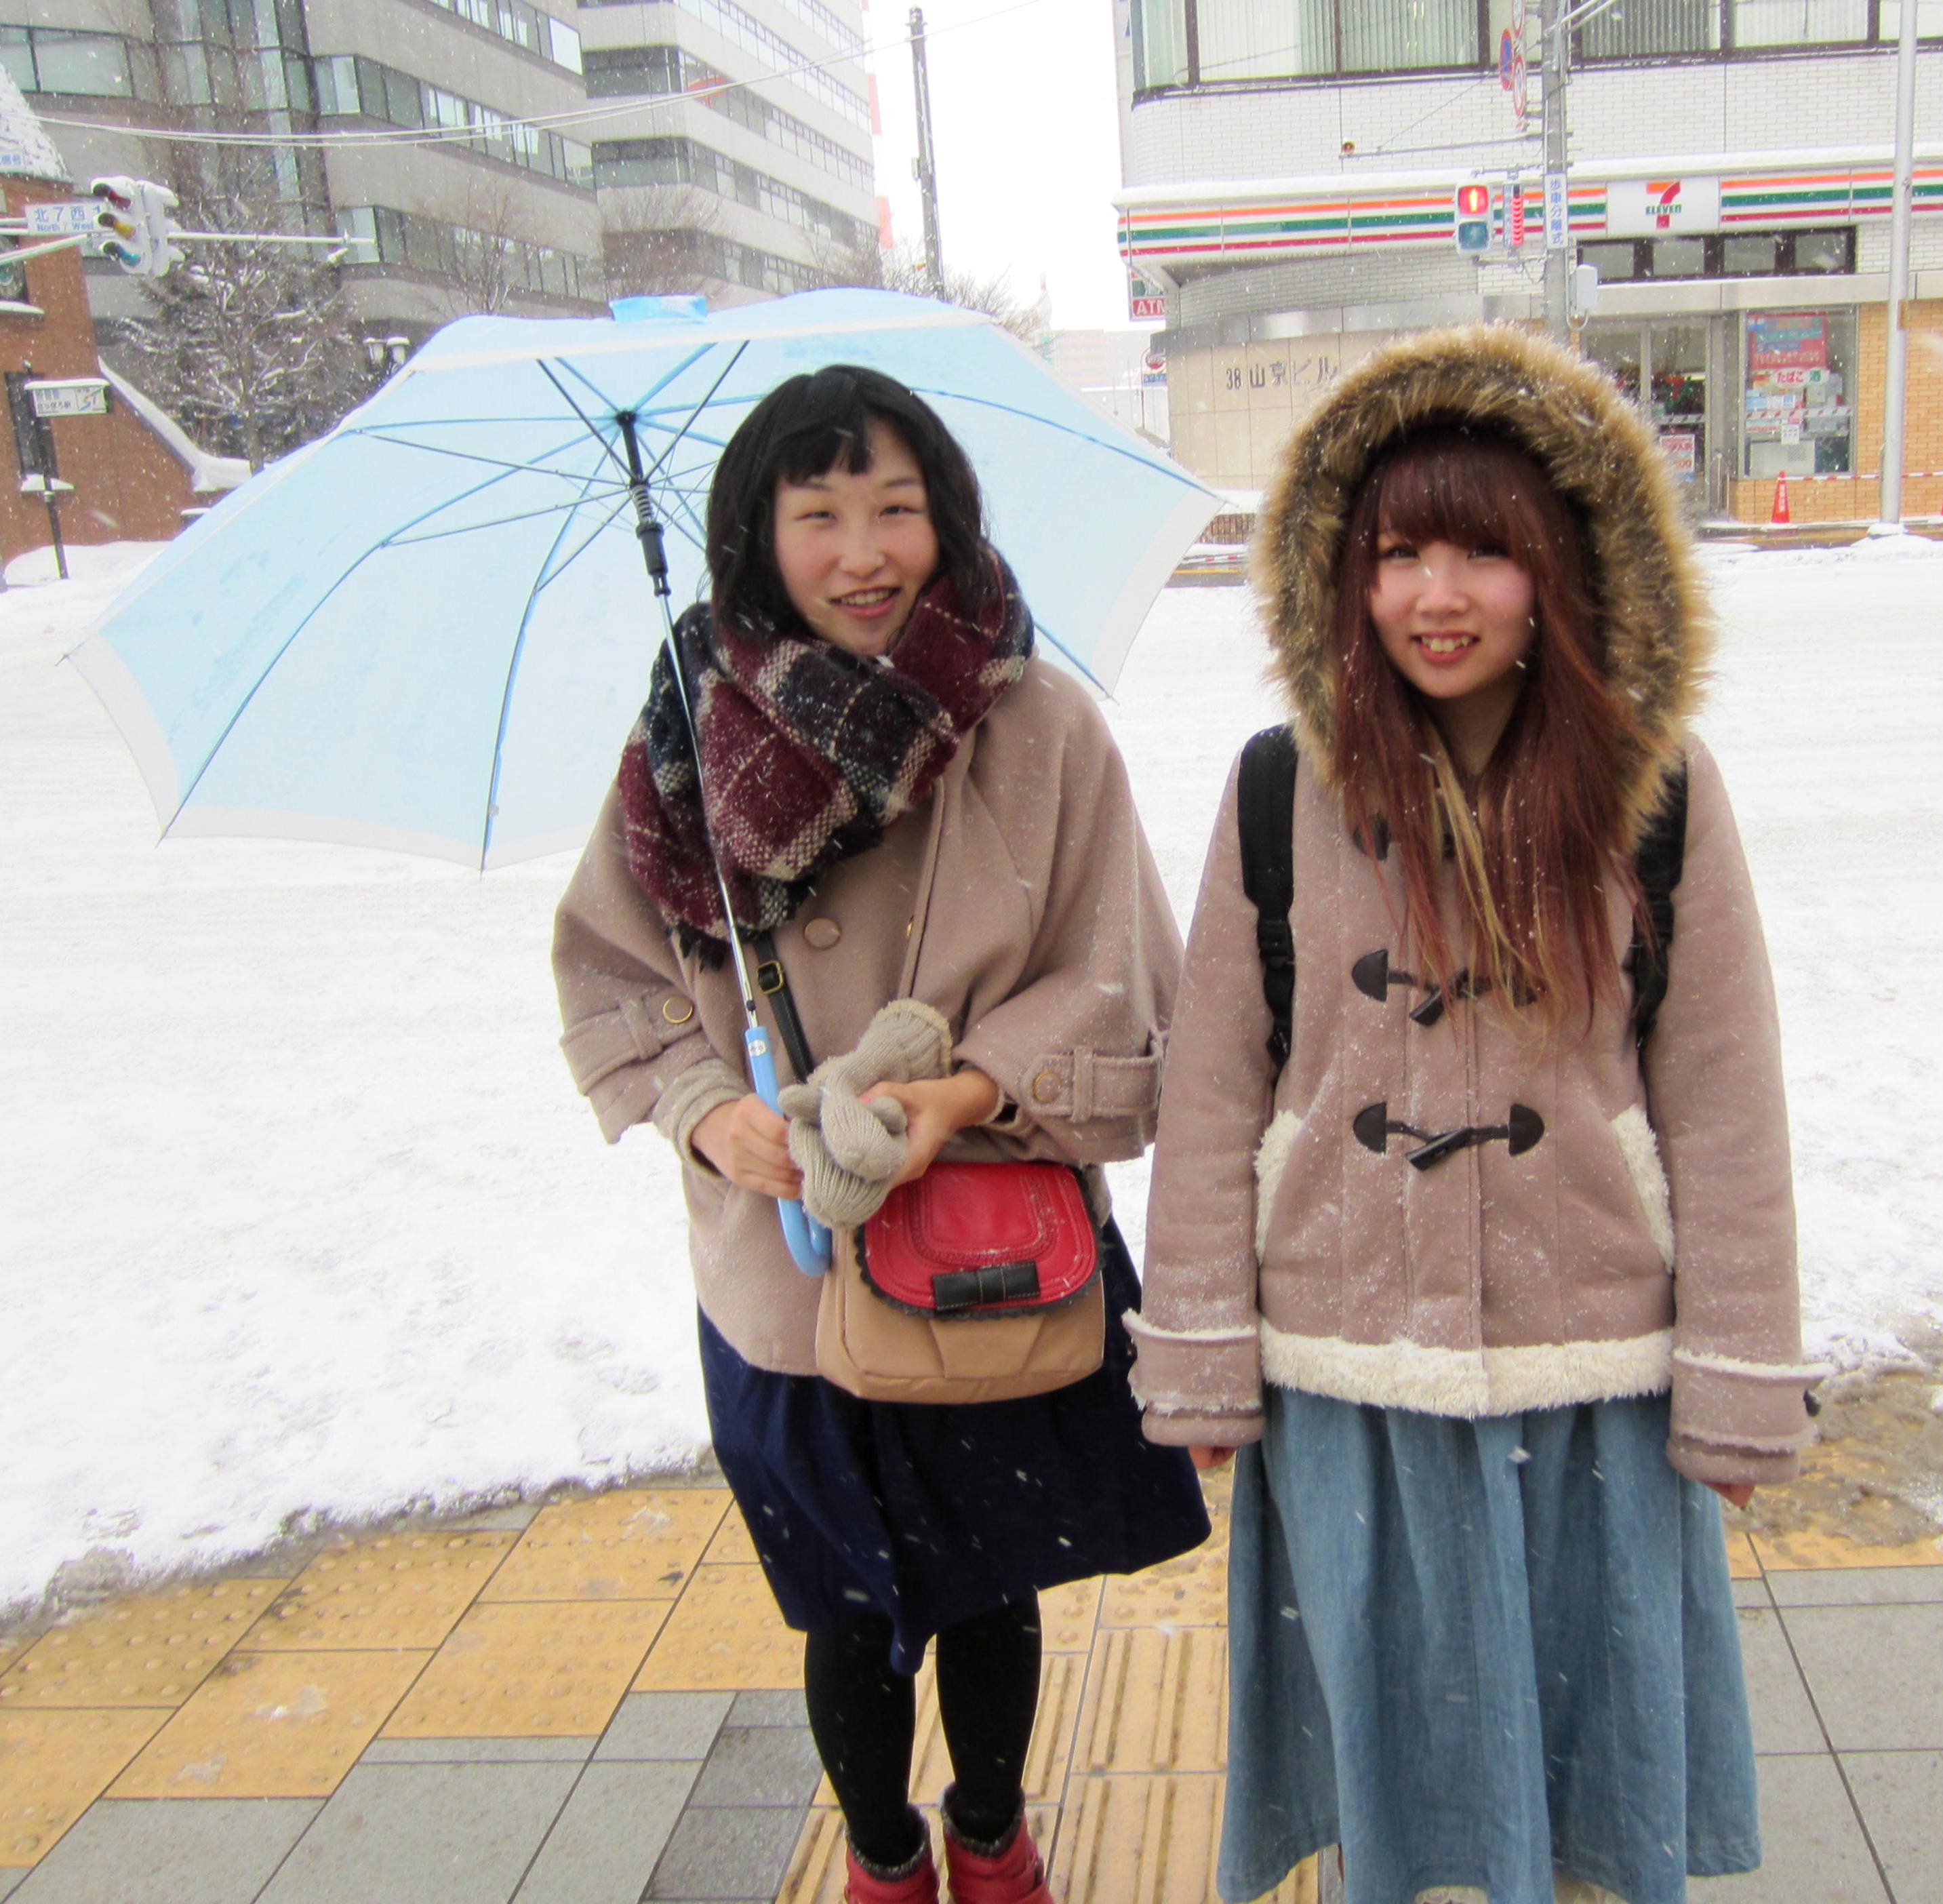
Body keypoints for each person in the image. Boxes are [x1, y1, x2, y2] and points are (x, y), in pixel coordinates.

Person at [1129, 326, 1820, 1904]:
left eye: (1482, 555)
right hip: (1344, 1359)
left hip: (1592, 1373)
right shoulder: (1273, 788)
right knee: (1383, 1752)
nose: (1436, 597)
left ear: (1559, 575)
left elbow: (1720, 1096)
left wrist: (1732, 1371)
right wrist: (1199, 1355)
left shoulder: (1655, 790)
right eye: (1398, 554)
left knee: (1590, 1750)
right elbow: (1219, 1089)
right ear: (1342, 582)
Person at [553, 365, 1208, 1904]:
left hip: (984, 1241)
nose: (864, 551)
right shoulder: (685, 731)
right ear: (754, 536)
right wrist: (710, 1115)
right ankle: (881, 1853)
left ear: (947, 517)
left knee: (990, 1585)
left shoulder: (1036, 722)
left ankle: (989, 1832)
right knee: (840, 1609)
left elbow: (1122, 971)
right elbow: (611, 976)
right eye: (820, 512)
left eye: (896, 508)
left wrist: (963, 1092)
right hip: (780, 1271)